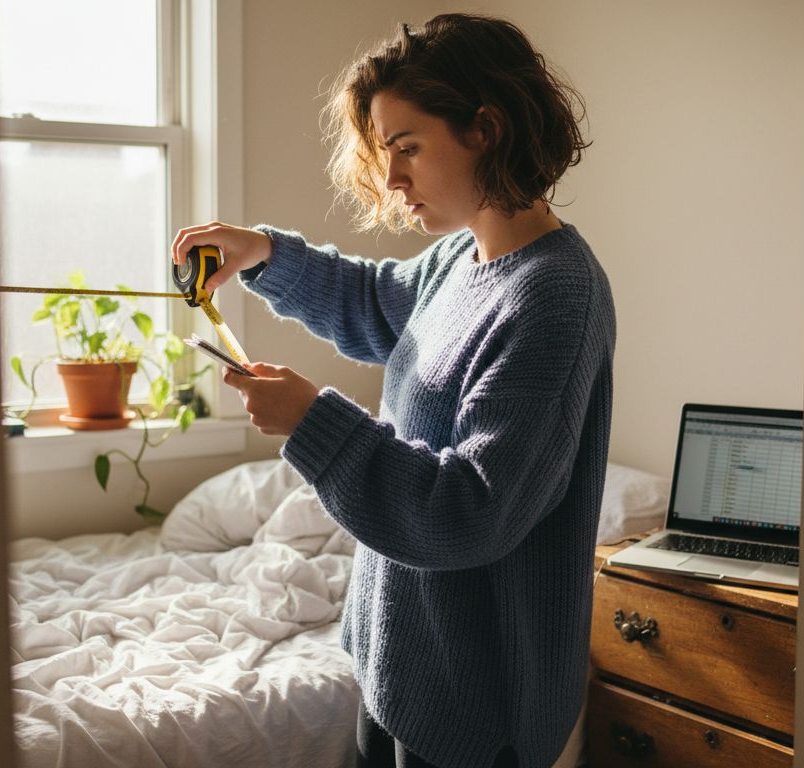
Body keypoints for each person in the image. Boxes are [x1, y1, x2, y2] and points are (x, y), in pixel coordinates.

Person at [170, 14, 614, 768]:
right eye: (385, 154)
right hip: (401, 664)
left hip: (476, 705)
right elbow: (375, 303)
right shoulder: (459, 260)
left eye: (407, 148)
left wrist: (311, 421)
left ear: (486, 130)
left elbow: (468, 514)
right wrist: (260, 253)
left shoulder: (554, 297)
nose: (391, 180)